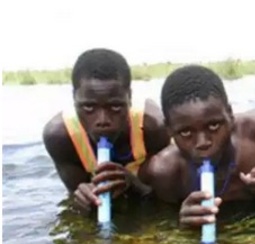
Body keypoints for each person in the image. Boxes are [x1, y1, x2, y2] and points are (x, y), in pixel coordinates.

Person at [142, 65, 255, 228]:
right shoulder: (165, 173)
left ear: (230, 114)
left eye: (214, 125)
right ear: (169, 130)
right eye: (186, 132)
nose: (203, 142)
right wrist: (181, 225)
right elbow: (157, 227)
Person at [43, 48, 171, 212]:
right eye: (89, 107)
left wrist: (135, 186)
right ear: (74, 97)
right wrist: (84, 199)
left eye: (116, 107)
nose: (102, 121)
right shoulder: (60, 136)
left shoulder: (153, 127)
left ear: (129, 98)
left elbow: (163, 195)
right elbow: (75, 195)